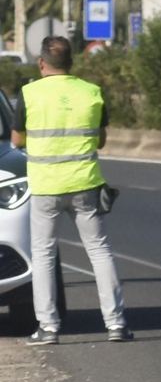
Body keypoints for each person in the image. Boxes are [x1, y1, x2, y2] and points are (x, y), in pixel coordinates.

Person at [12, 36, 128, 345]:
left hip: (46, 187)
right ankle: (116, 324)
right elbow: (100, 140)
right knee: (99, 251)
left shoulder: (29, 94)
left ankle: (48, 328)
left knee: (44, 255)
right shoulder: (91, 93)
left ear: (41, 63)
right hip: (85, 184)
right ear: (72, 63)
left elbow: (15, 140)